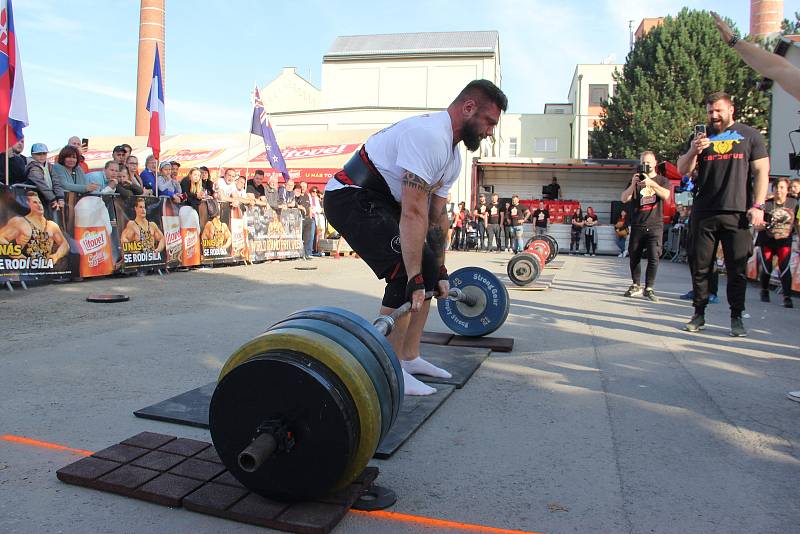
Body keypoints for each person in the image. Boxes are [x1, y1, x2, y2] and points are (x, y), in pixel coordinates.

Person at [324, 79, 506, 395]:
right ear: (468, 108)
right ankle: (388, 368)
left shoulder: (453, 156)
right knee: (404, 274)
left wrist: (441, 269)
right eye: (489, 122)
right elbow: (413, 212)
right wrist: (414, 276)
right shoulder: (429, 136)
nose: (491, 131)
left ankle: (409, 358)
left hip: (383, 200)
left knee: (429, 273)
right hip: (350, 195)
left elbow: (437, 219)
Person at [677, 91, 769, 337]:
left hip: (737, 212)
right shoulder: (699, 136)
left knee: (736, 268)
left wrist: (758, 206)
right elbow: (682, 170)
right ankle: (698, 314)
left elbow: (762, 172)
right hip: (704, 211)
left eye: (718, 110)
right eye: (710, 111)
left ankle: (736, 317)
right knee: (700, 267)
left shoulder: (750, 136)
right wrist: (694, 151)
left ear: (731, 109)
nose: (714, 116)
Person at [621, 151, 672, 301]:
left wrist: (651, 183)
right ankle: (636, 284)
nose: (646, 164)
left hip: (655, 224)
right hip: (637, 224)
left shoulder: (662, 180)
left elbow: (667, 195)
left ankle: (649, 287)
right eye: (643, 162)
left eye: (649, 162)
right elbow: (624, 198)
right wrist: (633, 184)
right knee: (634, 256)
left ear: (655, 163)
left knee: (653, 256)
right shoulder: (636, 180)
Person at [755, 178, 797, 308]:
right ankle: (764, 291)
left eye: (782, 187)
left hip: (784, 240)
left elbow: (797, 222)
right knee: (767, 268)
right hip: (767, 240)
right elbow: (757, 225)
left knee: (784, 267)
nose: (779, 190)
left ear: (787, 189)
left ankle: (787, 297)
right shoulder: (766, 204)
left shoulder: (794, 203)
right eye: (776, 187)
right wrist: (766, 225)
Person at [0, 190, 69, 265]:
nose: (39, 205)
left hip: (46, 271)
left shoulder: (51, 225)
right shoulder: (20, 222)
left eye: (40, 202)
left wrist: (56, 256)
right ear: (28, 204)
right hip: (26, 271)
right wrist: (18, 256)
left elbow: (65, 245)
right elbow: (1, 238)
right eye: (35, 202)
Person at [24, 143, 65, 213]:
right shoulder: (32, 167)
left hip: (47, 199)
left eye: (44, 153)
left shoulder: (49, 166)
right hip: (35, 199)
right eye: (39, 154)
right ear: (32, 154)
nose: (42, 156)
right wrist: (53, 199)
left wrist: (60, 197)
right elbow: (41, 184)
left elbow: (56, 181)